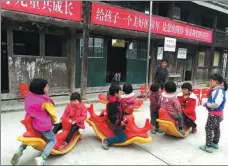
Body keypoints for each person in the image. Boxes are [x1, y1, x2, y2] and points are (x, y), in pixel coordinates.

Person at [11, 78, 58, 166]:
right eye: (47, 86)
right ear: (41, 89)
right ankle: (42, 158)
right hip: (42, 125)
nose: (48, 88)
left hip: (31, 122)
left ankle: (20, 150)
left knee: (31, 136)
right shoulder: (46, 101)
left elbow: (27, 108)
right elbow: (53, 114)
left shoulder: (28, 97)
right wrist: (55, 121)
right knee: (52, 140)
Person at [200, 73, 227, 153]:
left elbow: (216, 104)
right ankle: (215, 143)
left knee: (208, 128)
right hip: (218, 114)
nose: (210, 82)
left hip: (214, 114)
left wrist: (206, 104)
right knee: (216, 128)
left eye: (212, 80)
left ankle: (208, 146)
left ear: (217, 82)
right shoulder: (220, 89)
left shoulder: (217, 91)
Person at [102, 84, 127, 150]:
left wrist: (125, 114)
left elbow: (120, 111)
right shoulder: (111, 104)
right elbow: (112, 117)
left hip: (120, 120)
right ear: (116, 93)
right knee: (123, 138)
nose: (121, 93)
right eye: (120, 92)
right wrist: (119, 123)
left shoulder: (117, 101)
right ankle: (106, 141)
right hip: (114, 124)